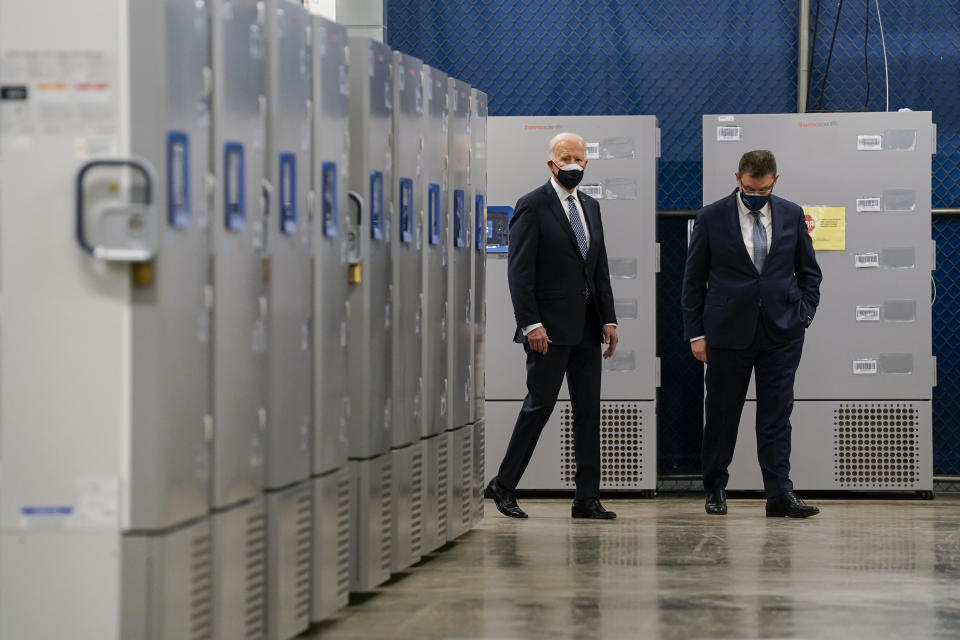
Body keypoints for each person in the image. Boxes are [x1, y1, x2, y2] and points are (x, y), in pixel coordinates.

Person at [484, 132, 619, 520]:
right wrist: (530, 324)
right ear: (551, 163)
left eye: (579, 157)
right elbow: (519, 273)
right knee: (539, 407)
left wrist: (608, 319)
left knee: (588, 412)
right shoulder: (532, 205)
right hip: (547, 332)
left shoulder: (591, 206)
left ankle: (586, 498)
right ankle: (504, 485)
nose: (573, 164)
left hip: (588, 329)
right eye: (566, 157)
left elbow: (599, 269)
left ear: (586, 162)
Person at [681, 149, 822, 518]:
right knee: (722, 414)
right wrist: (696, 333)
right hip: (727, 333)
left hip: (782, 331)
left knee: (777, 415)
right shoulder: (711, 217)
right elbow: (693, 281)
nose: (754, 195)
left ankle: (779, 494)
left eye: (761, 189)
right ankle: (714, 489)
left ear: (775, 180)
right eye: (748, 188)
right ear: (737, 178)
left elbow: (809, 271)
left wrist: (804, 314)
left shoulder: (791, 214)